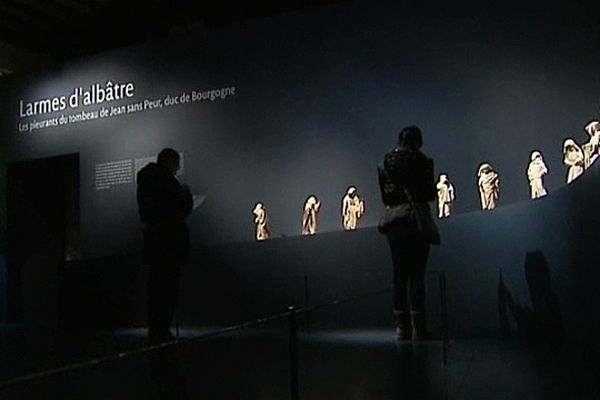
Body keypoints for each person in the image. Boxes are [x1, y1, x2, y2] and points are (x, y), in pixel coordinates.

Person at [378, 126, 437, 340]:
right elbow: (430, 194)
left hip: (394, 221)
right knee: (417, 276)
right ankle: (419, 328)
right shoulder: (424, 162)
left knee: (399, 275)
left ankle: (402, 328)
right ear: (417, 141)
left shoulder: (385, 163)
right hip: (415, 219)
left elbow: (386, 197)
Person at [137, 148, 193, 343]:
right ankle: (162, 330)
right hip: (169, 244)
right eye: (176, 164)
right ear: (169, 162)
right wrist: (185, 193)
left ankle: (157, 329)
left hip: (155, 244)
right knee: (167, 289)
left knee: (157, 288)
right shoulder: (168, 183)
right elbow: (181, 208)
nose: (178, 168)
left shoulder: (146, 182)